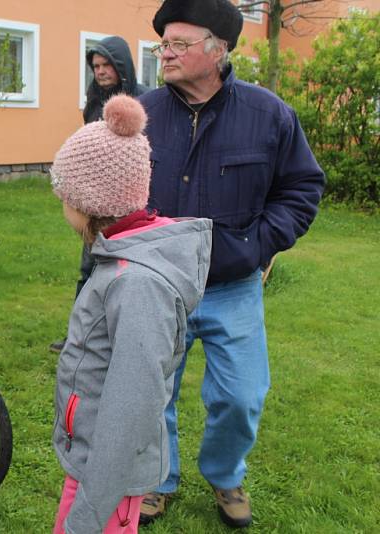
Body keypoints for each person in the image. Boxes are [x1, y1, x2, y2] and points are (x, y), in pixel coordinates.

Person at [137, 0, 325, 528]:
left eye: (178, 44)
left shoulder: (269, 115)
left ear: (218, 50)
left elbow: (302, 188)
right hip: (158, 284)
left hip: (232, 286)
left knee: (242, 397)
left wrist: (258, 245)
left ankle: (225, 475)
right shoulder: (140, 113)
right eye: (163, 44)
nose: (165, 53)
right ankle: (156, 479)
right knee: (152, 392)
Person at [50, 94, 212, 534]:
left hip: (105, 487)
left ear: (88, 202)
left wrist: (87, 517)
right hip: (94, 471)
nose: (61, 203)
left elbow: (130, 413)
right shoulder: (119, 260)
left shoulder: (137, 284)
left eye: (63, 193)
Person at [50, 36, 149, 354]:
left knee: (124, 272)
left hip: (126, 204)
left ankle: (119, 338)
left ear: (122, 66)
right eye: (96, 66)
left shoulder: (145, 99)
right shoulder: (94, 100)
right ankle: (77, 336)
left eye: (107, 65)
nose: (101, 71)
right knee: (88, 268)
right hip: (93, 203)